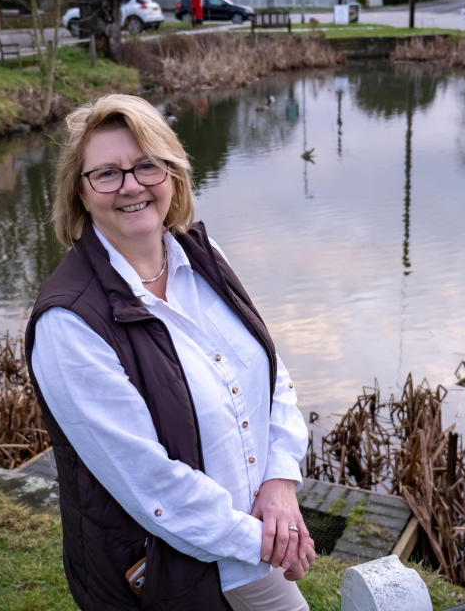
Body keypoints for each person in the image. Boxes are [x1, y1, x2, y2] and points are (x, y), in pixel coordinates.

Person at [25, 93, 315, 610]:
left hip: (251, 548)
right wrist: (270, 542)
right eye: (106, 174)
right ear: (80, 193)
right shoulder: (68, 322)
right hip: (161, 575)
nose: (131, 185)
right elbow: (151, 487)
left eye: (146, 165)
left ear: (173, 173)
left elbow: (273, 376)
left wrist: (280, 481)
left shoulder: (203, 255)